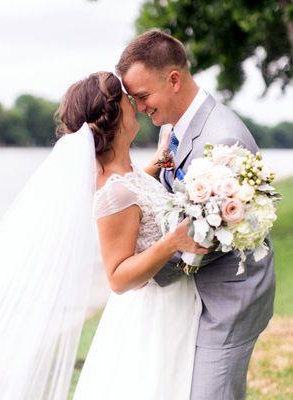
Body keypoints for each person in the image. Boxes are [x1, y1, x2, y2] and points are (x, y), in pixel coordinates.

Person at [116, 30, 276, 400]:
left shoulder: (220, 139)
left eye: (143, 96)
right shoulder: (174, 124)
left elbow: (208, 238)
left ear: (173, 80)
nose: (139, 108)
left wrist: (140, 270)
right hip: (194, 295)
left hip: (228, 299)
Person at [66, 72, 207, 399]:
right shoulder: (114, 192)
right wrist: (172, 241)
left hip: (173, 303)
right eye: (130, 101)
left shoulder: (126, 176)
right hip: (153, 316)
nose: (139, 106)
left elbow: (135, 199)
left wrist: (155, 166)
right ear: (115, 115)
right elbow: (117, 277)